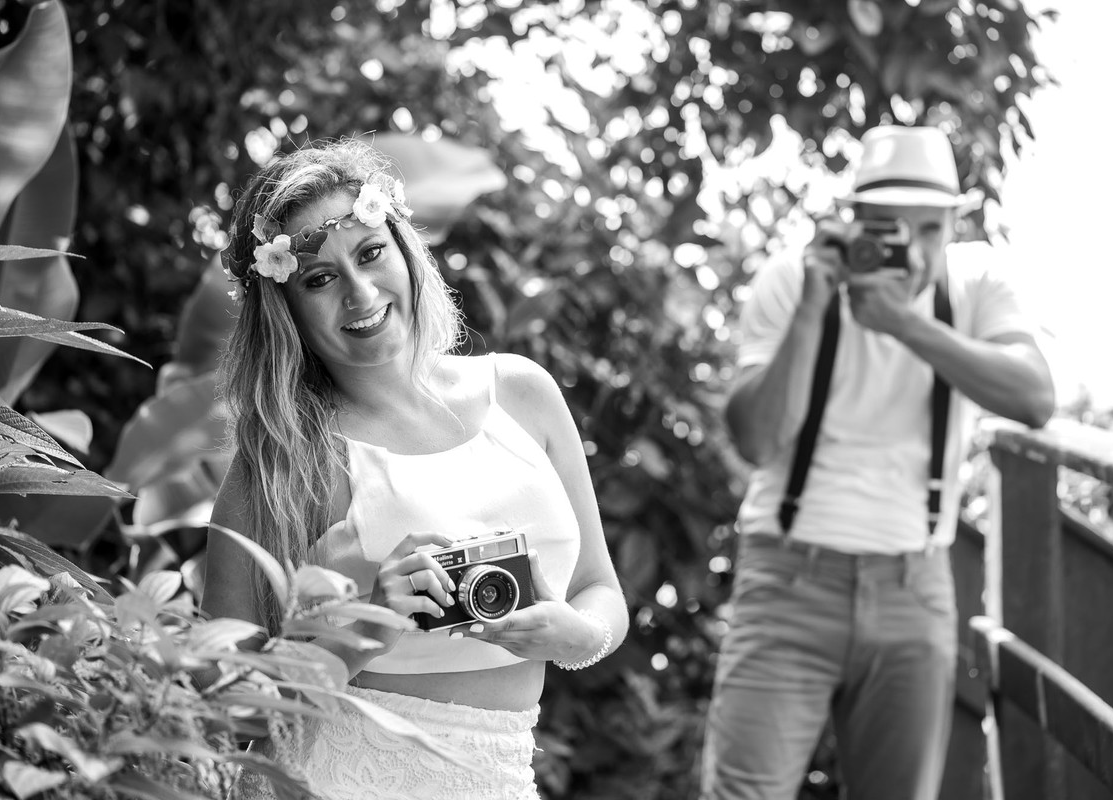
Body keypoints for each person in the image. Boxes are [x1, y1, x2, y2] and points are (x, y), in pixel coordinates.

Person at [199, 137, 628, 800]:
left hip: (504, 774)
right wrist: (357, 632)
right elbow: (222, 711)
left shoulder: (522, 392)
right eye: (320, 279)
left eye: (370, 254)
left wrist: (581, 636)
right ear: (285, 306)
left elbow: (601, 588)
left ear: (403, 248)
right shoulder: (284, 463)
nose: (360, 293)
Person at [699, 125, 1055, 800]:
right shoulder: (791, 281)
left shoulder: (976, 284)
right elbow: (755, 439)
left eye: (929, 229)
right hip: (787, 579)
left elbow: (1034, 398)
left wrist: (907, 324)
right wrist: (814, 305)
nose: (911, 252)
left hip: (913, 584)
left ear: (954, 222)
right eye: (890, 228)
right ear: (855, 222)